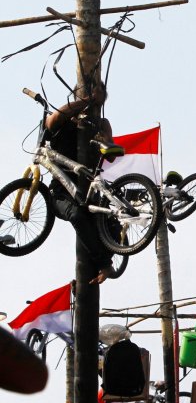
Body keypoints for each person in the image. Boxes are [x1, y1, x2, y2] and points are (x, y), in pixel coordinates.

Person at [43, 82, 123, 284]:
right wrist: (86, 100)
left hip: (90, 190)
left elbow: (111, 153)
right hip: (61, 190)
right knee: (77, 216)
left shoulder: (101, 123)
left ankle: (107, 263)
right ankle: (104, 263)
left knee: (110, 224)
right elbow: (53, 121)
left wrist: (106, 141)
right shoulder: (63, 119)